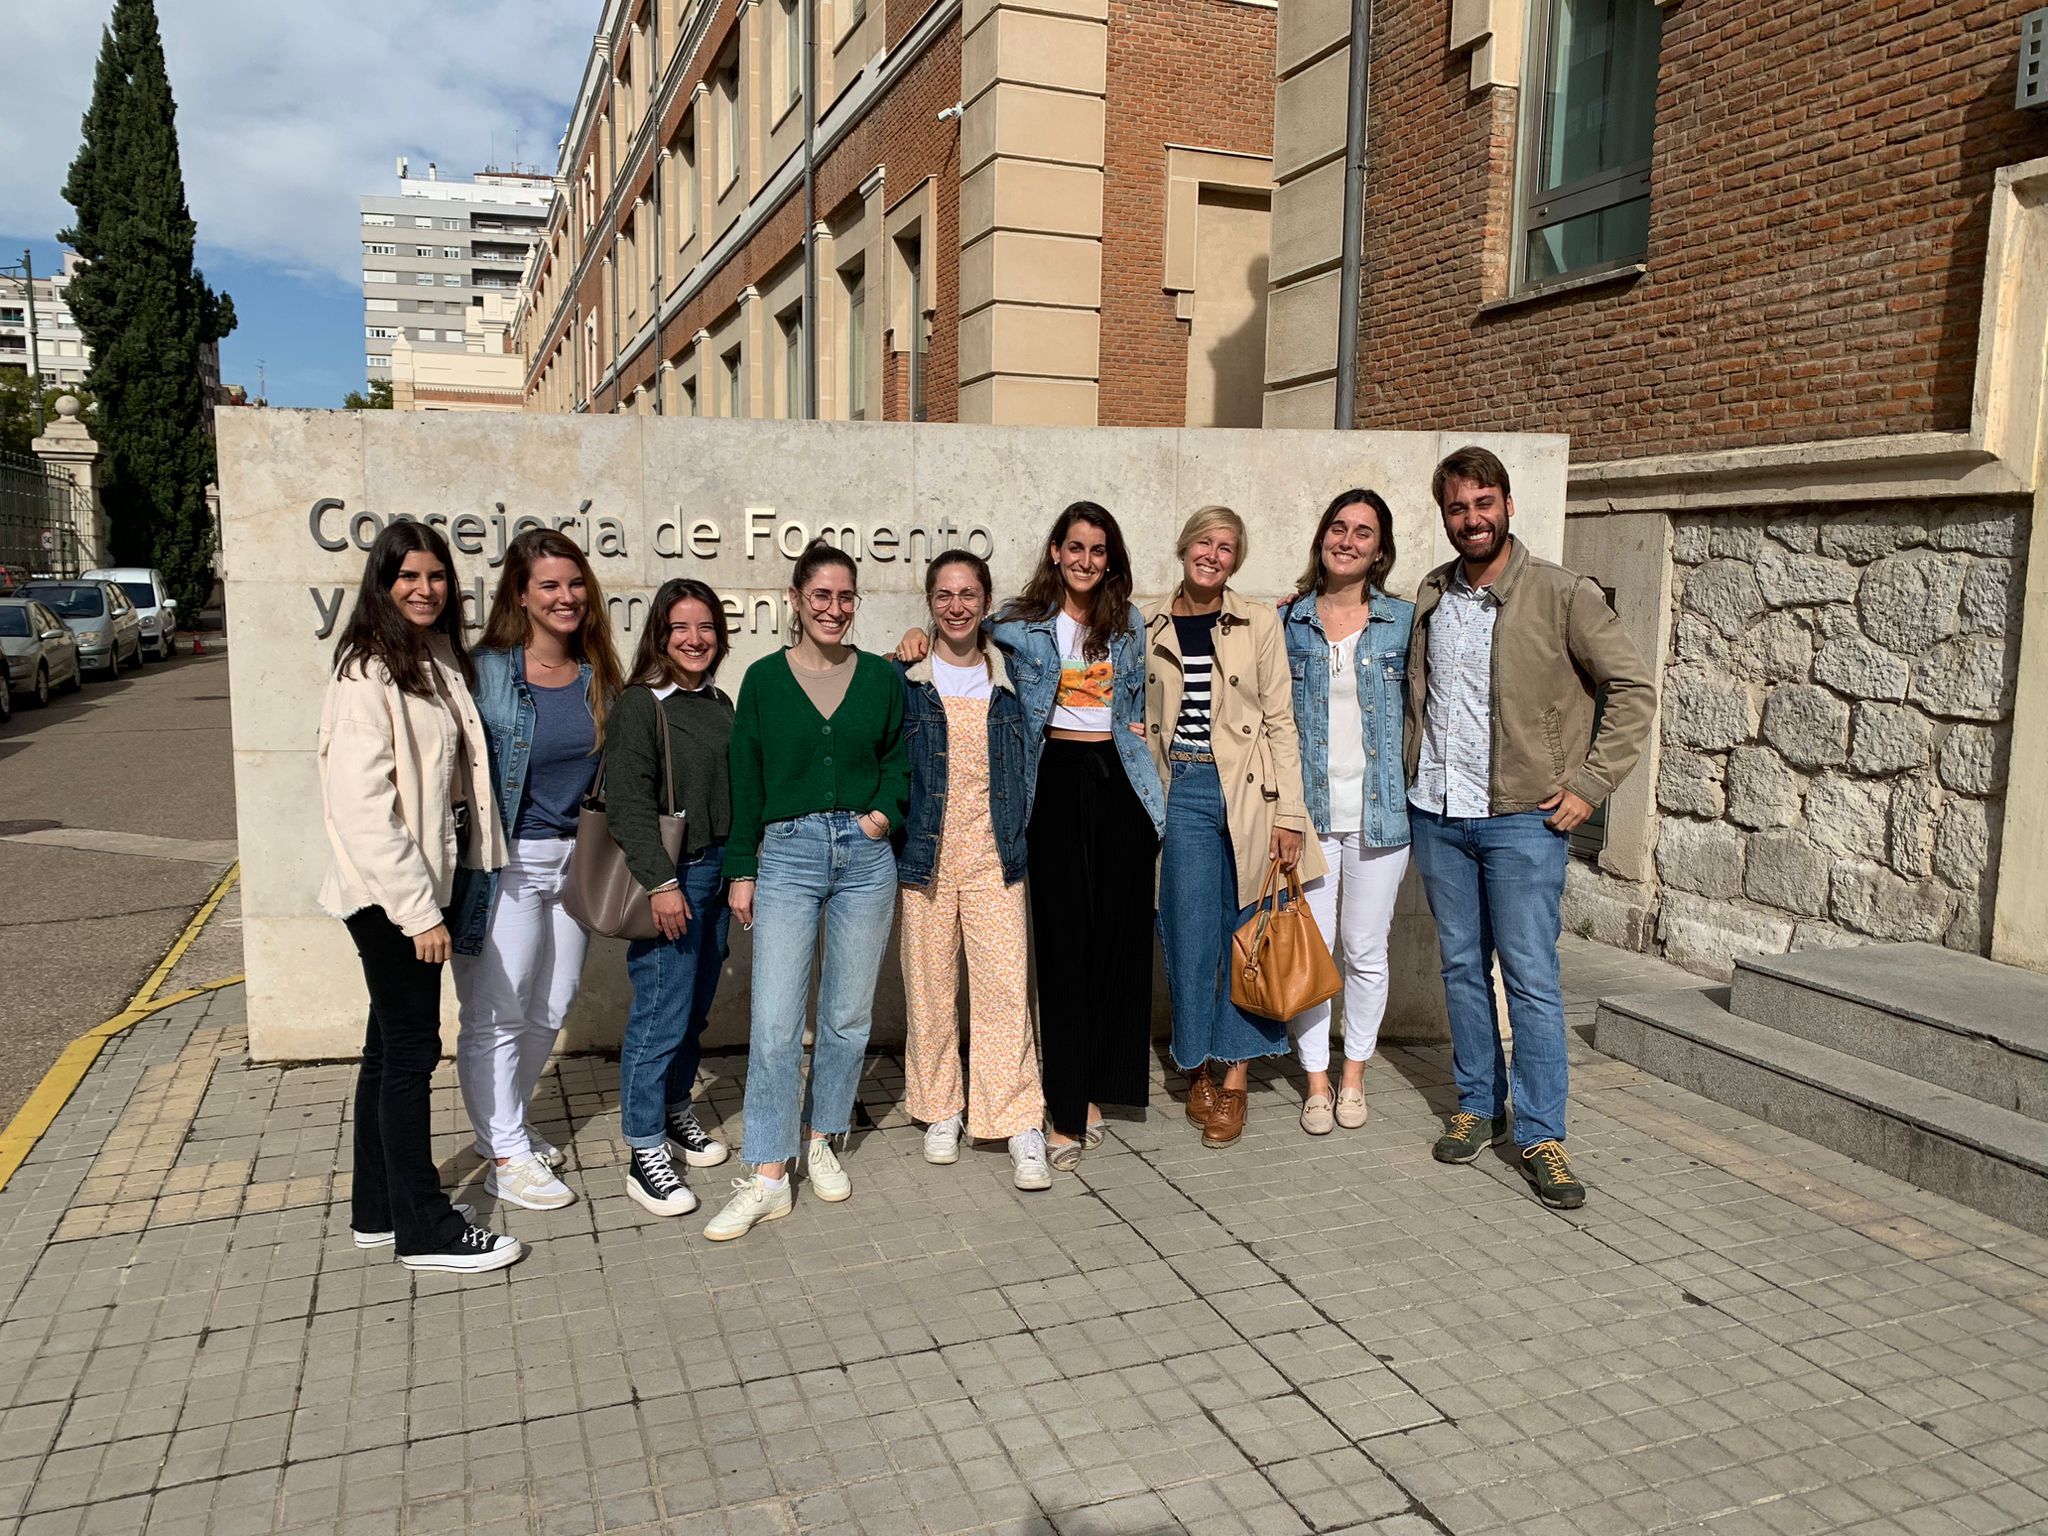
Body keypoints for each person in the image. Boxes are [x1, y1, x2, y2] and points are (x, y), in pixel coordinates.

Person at [1407, 446, 1655, 1209]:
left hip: (1522, 820)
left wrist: (1590, 786)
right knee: (1460, 969)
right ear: (1445, 515)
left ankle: (1542, 1133)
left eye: (1483, 503)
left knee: (1531, 980)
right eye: (1458, 507)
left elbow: (1633, 688)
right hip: (1440, 812)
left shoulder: (1561, 592)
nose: (1471, 519)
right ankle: (1480, 1106)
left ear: (1508, 506)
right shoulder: (1432, 593)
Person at [317, 520, 518, 1273]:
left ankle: (377, 1210)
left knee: (385, 1052)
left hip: (428, 882)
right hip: (392, 897)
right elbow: (363, 810)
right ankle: (425, 1228)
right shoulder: (366, 672)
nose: (425, 589)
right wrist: (418, 912)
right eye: (408, 577)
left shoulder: (432, 656)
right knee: (410, 1055)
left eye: (435, 576)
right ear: (383, 583)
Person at [706, 538, 910, 1241]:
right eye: (820, 594)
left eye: (845, 596)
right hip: (788, 855)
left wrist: (881, 817)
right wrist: (742, 868)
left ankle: (821, 1136)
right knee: (774, 1020)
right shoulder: (763, 679)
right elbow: (745, 776)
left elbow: (897, 760)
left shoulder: (880, 678)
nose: (833, 607)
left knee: (847, 1015)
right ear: (795, 599)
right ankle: (769, 1173)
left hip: (865, 858)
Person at [452, 529, 623, 1213]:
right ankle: (505, 1153)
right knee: (499, 1008)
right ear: (519, 595)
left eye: (575, 583)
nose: (566, 596)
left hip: (575, 860)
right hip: (506, 862)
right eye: (549, 585)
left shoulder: (596, 674)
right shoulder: (487, 671)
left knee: (553, 1002)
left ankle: (506, 1129)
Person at [991, 503, 1164, 1169]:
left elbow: (1135, 707)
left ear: (1109, 559)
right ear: (1056, 552)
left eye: (1098, 550)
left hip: (1119, 781)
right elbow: (963, 630)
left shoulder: (1128, 623)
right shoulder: (1021, 622)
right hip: (1054, 780)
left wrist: (1141, 732)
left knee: (1116, 943)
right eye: (1076, 548)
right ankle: (1066, 1107)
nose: (1086, 560)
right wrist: (919, 639)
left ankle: (1098, 1090)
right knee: (1064, 946)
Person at [1143, 507, 1322, 1149]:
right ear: (1183, 546)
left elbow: (1281, 721)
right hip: (1182, 789)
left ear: (1236, 560)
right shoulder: (1147, 622)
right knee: (1190, 931)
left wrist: (1290, 814)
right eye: (1204, 542)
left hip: (1250, 791)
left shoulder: (1258, 621)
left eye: (1226, 547)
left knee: (1249, 935)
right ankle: (1196, 1066)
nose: (1212, 555)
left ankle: (1236, 1076)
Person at [895, 551, 1050, 1191]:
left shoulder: (1011, 676)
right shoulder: (906, 679)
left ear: (986, 602)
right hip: (926, 856)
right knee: (929, 990)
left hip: (994, 856)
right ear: (930, 602)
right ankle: (941, 1109)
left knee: (1005, 990)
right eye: (943, 595)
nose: (956, 606)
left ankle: (1016, 1120)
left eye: (968, 594)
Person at [1279, 490, 1414, 1136]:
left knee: (1364, 949)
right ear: (1322, 537)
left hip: (1381, 817)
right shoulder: (1289, 621)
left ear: (1379, 550)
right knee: (1313, 951)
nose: (1348, 540)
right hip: (1309, 817)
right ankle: (1315, 1081)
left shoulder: (1403, 622)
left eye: (1364, 532)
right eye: (1338, 527)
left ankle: (1353, 1074)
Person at [605, 578, 737, 1217]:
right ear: (660, 634)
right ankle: (643, 1147)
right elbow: (628, 805)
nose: (694, 639)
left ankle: (675, 1107)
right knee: (659, 1015)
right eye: (680, 627)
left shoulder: (719, 701)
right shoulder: (641, 704)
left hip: (717, 874)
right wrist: (661, 884)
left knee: (693, 1012)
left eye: (705, 627)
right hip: (673, 877)